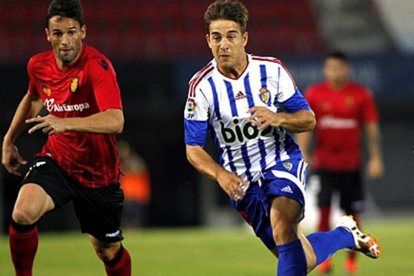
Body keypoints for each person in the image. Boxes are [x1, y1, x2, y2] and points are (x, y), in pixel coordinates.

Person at [184, 1, 381, 275]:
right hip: (241, 180)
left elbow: (308, 119)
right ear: (208, 40)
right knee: (301, 258)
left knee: (281, 222)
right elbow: (192, 148)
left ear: (244, 38)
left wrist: (278, 118)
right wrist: (220, 175)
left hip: (282, 161)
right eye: (216, 37)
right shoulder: (201, 87)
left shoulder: (272, 71)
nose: (224, 44)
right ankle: (345, 236)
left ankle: (342, 235)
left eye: (231, 36)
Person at [1, 1, 131, 275]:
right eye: (57, 33)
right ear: (47, 34)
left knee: (107, 250)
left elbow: (115, 120)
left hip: (98, 172)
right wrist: (9, 138)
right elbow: (34, 97)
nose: (65, 40)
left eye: (71, 32)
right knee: (22, 212)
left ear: (83, 31)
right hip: (57, 160)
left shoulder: (98, 67)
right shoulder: (38, 65)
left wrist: (65, 122)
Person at [296, 51, 384, 274]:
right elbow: (305, 124)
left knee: (353, 215)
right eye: (330, 68)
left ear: (346, 69)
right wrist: (302, 151)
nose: (334, 72)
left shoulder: (360, 94)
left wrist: (375, 157)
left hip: (351, 165)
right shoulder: (315, 93)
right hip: (324, 164)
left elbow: (371, 127)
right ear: (325, 69)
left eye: (339, 68)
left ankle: (352, 261)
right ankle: (324, 260)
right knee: (324, 211)